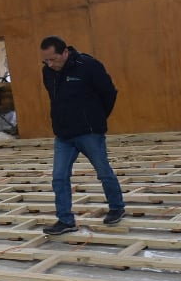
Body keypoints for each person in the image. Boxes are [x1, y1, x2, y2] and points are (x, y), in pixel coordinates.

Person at [39, 35, 125, 235]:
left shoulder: (88, 65)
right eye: (46, 60)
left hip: (89, 132)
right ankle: (65, 220)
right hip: (63, 135)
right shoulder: (48, 72)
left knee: (103, 171)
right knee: (59, 177)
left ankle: (116, 207)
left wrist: (97, 119)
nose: (50, 64)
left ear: (65, 53)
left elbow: (109, 93)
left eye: (54, 59)